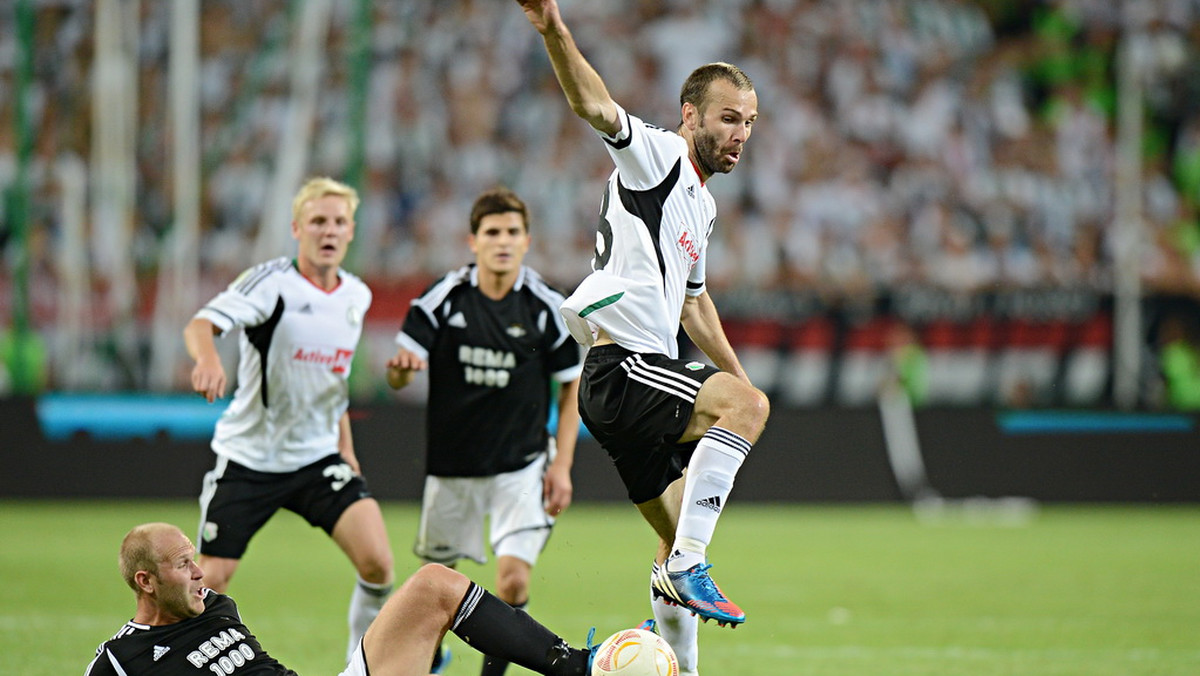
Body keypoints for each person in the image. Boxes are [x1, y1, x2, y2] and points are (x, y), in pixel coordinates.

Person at [515, 1, 770, 673]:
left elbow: (695, 306)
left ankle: (679, 657)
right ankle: (690, 562)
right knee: (741, 425)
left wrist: (739, 379)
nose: (739, 133)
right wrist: (554, 29)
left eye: (748, 122)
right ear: (690, 114)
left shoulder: (702, 203)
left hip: (627, 386)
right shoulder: (657, 156)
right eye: (727, 117)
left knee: (674, 537)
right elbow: (595, 106)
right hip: (623, 367)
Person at [183, 177, 395, 663]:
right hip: (250, 459)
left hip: (318, 458)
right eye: (318, 221)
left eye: (339, 222)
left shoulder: (355, 297)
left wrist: (347, 452)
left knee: (379, 563)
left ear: (351, 232)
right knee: (209, 581)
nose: (329, 230)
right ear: (297, 228)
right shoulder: (270, 283)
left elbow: (333, 383)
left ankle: (359, 667)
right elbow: (200, 324)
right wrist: (209, 359)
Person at [385, 187, 583, 676]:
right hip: (453, 469)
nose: (503, 241)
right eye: (492, 232)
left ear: (527, 241)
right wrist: (402, 370)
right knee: (433, 589)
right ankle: (430, 660)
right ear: (472, 241)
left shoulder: (547, 306)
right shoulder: (443, 297)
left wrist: (561, 465)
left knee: (512, 582)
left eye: (512, 232)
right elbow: (397, 373)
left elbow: (571, 386)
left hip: (522, 467)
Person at [84, 522, 598, 676]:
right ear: (146, 582)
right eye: (182, 565)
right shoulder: (119, 664)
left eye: (195, 559)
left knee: (434, 584)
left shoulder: (217, 606)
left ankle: (577, 667)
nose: (199, 573)